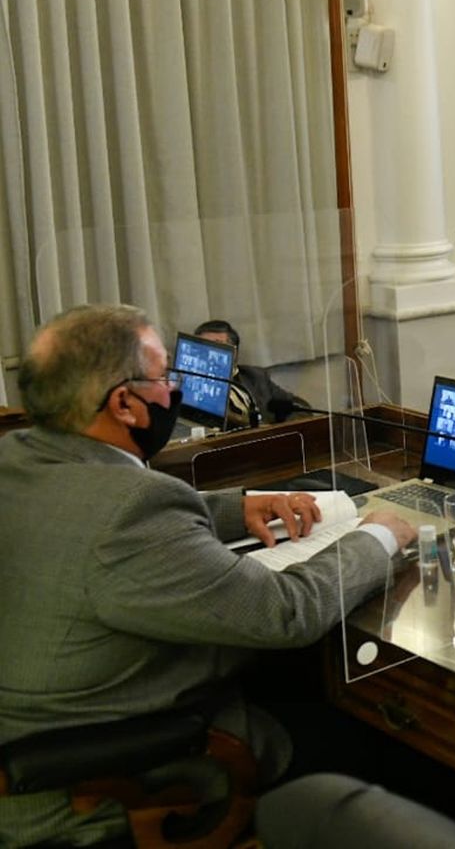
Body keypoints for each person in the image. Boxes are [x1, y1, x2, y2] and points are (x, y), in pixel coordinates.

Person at [0, 304, 417, 847]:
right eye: (164, 377)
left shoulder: (17, 456)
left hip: (31, 729)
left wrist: (237, 506)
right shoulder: (131, 512)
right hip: (95, 780)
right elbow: (285, 612)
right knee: (370, 742)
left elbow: (96, 508)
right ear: (124, 404)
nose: (175, 389)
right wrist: (380, 535)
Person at [194, 319, 310, 426]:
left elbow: (300, 407)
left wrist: (281, 432)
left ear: (234, 352)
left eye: (216, 345)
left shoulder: (254, 376)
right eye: (203, 346)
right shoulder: (193, 387)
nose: (208, 353)